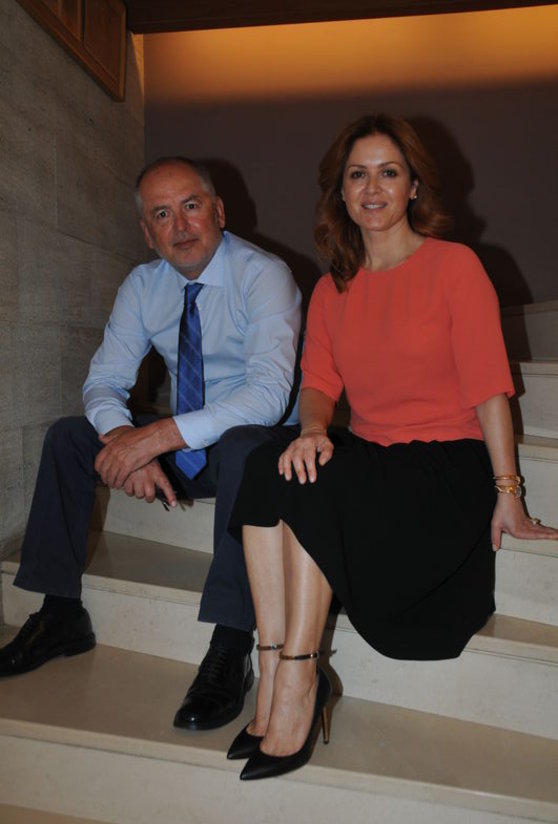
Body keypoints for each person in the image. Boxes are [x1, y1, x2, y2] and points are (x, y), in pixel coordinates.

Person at [226, 114, 558, 781]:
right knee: (269, 462)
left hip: (445, 468)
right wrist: (313, 429)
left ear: (413, 187)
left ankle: (299, 679)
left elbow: (490, 390)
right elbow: (318, 385)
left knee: (315, 481)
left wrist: (508, 493)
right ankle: (272, 668)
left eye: (388, 172)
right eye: (358, 174)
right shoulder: (333, 288)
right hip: (375, 463)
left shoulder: (454, 267)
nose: (372, 188)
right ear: (340, 192)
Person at [0, 157, 302, 733]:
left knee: (243, 445)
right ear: (147, 232)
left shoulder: (263, 275)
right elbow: (104, 380)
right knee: (69, 437)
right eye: (162, 214)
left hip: (261, 450)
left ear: (218, 211)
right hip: (190, 446)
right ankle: (61, 614)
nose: (180, 226)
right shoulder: (142, 286)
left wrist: (154, 438)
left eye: (191, 206)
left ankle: (232, 642)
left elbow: (268, 397)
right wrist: (122, 440)